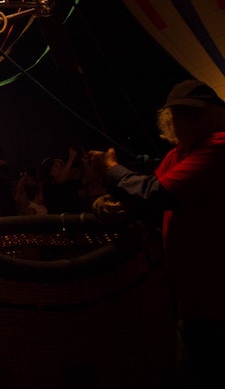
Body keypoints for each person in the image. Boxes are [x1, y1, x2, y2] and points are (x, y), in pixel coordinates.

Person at [88, 79, 225, 389]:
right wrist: (118, 203)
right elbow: (146, 196)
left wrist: (111, 168)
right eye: (177, 113)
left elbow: (156, 193)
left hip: (218, 304)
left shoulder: (219, 147)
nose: (182, 119)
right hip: (192, 302)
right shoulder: (179, 154)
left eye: (192, 112)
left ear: (214, 114)